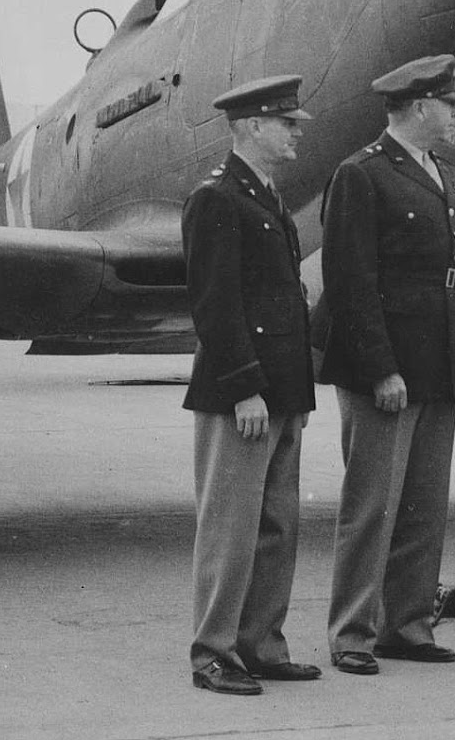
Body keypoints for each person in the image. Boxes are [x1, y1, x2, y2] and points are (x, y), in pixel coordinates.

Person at [317, 53, 455, 676]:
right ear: (419, 107)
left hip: (439, 363)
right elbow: (349, 281)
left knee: (424, 503)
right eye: (449, 105)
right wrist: (379, 369)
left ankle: (408, 624)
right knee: (372, 505)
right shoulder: (360, 175)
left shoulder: (444, 175)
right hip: (386, 369)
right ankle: (353, 634)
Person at [182, 75, 324, 695]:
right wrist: (245, 388)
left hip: (280, 395)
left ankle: (261, 644)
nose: (296, 130)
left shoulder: (267, 197)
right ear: (251, 128)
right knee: (231, 529)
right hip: (242, 395)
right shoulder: (217, 199)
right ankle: (212, 653)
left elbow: (285, 302)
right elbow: (216, 306)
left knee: (277, 526)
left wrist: (294, 395)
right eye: (286, 121)